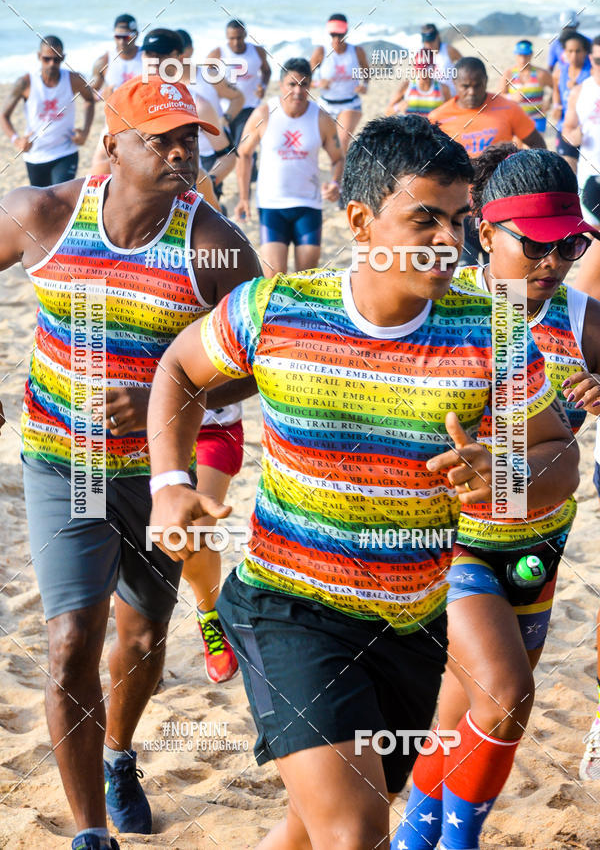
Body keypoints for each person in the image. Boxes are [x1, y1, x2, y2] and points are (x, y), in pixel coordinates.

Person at [147, 114, 576, 850]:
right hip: (290, 608)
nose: (450, 241)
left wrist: (505, 472)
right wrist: (168, 481)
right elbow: (180, 370)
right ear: (359, 220)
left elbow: (558, 456)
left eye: (460, 220)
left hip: (413, 626)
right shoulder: (275, 310)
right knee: (355, 830)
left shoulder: (492, 330)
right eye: (425, 219)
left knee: (307, 830)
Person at [0, 74, 260, 850]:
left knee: (142, 636)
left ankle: (120, 755)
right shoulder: (41, 214)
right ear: (109, 142)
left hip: (160, 473)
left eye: (192, 138)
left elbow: (256, 362)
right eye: (162, 137)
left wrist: (169, 396)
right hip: (66, 457)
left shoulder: (212, 244)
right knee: (71, 639)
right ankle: (89, 834)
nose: (183, 151)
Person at [393, 143, 600, 850]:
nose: (551, 261)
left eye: (569, 243)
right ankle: (456, 842)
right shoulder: (444, 309)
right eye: (534, 243)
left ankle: (415, 836)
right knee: (508, 692)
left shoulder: (582, 320)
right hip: (455, 544)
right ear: (485, 232)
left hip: (540, 541)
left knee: (474, 708)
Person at [235, 57, 342, 276]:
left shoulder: (321, 118)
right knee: (274, 280)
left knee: (306, 280)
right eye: (292, 84)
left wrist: (335, 183)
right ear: (281, 85)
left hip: (309, 206)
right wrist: (244, 198)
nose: (297, 91)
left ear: (310, 86)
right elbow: (244, 154)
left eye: (304, 84)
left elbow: (338, 158)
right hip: (272, 206)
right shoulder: (264, 114)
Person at [1, 35, 95, 187]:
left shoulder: (73, 79)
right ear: (39, 56)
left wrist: (85, 132)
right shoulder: (26, 82)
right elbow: (3, 115)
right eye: (47, 59)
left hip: (66, 151)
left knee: (60, 199)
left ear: (63, 58)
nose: (52, 64)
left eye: (57, 59)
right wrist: (17, 140)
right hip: (35, 155)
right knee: (42, 203)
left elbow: (90, 100)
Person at [177, 28, 242, 206]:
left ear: (190, 50)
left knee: (210, 209)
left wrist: (226, 118)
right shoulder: (167, 84)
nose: (177, 57)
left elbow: (238, 97)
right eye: (173, 53)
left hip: (214, 154)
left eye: (181, 51)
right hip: (185, 154)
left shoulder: (209, 76)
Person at [429, 56, 545, 156]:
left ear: (485, 81)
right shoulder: (437, 118)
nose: (472, 92)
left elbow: (537, 143)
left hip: (500, 180)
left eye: (477, 85)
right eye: (465, 86)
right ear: (455, 83)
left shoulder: (508, 108)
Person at [207, 19, 271, 167]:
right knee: (223, 148)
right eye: (231, 38)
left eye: (239, 37)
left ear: (245, 35)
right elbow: (205, 77)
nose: (236, 42)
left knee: (245, 143)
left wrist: (263, 85)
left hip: (249, 106)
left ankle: (250, 173)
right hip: (226, 109)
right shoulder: (218, 53)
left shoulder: (257, 51)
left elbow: (267, 71)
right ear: (226, 37)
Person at [89, 14, 143, 174]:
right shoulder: (104, 60)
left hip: (140, 123)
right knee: (98, 167)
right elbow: (91, 94)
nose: (121, 41)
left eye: (126, 36)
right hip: (114, 122)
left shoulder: (147, 57)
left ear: (136, 34)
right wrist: (101, 95)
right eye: (117, 37)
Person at [310, 13, 369, 156]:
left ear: (346, 32)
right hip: (326, 105)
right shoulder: (321, 52)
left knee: (341, 143)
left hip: (350, 104)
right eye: (333, 35)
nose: (337, 39)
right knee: (323, 145)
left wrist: (364, 85)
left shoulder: (356, 51)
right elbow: (305, 81)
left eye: (340, 35)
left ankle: (337, 179)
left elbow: (366, 71)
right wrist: (318, 83)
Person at [552, 31, 591, 173]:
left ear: (585, 52)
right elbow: (556, 89)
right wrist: (557, 105)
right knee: (568, 170)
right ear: (565, 52)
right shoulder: (560, 72)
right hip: (565, 127)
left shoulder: (592, 73)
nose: (574, 55)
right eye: (570, 51)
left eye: (578, 51)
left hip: (587, 129)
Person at [500, 39, 553, 135]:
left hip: (537, 119)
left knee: (535, 149)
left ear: (531, 54)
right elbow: (499, 96)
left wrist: (550, 101)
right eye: (520, 55)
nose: (522, 59)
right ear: (515, 54)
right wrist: (511, 97)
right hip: (516, 119)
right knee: (517, 149)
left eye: (526, 55)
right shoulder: (508, 74)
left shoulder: (541, 74)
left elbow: (557, 88)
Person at [385, 48, 450, 116]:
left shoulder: (443, 89)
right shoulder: (406, 86)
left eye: (425, 70)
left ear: (433, 68)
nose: (422, 73)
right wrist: (397, 107)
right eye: (420, 69)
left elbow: (450, 113)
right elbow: (387, 112)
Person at [420, 23, 461, 96]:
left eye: (431, 41)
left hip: (450, 95)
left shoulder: (448, 50)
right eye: (427, 42)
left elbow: (465, 65)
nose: (429, 44)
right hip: (432, 97)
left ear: (437, 36)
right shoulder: (421, 55)